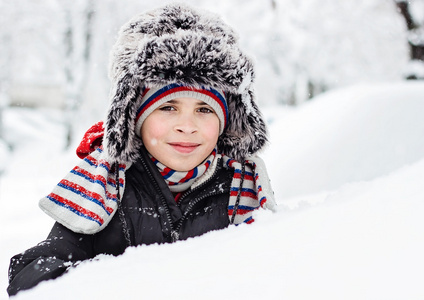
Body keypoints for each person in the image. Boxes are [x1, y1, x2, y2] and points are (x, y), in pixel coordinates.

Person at [7, 3, 275, 296]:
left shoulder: (241, 188)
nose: (187, 126)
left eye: (204, 109)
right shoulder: (106, 189)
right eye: (168, 107)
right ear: (134, 118)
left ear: (226, 123)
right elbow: (35, 270)